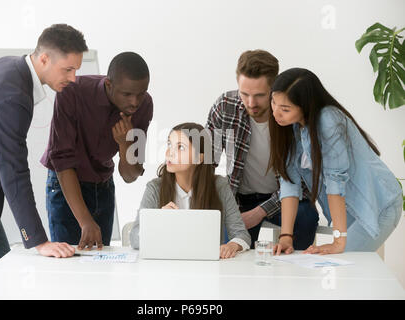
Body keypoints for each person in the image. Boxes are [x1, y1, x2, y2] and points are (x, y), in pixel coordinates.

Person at [0, 23, 88, 294]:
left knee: (3, 277)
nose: (74, 78)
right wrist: (39, 241)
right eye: (68, 69)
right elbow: (14, 169)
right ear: (44, 59)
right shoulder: (14, 96)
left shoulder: (12, 68)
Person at [269, 68, 402, 255]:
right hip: (347, 209)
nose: (276, 113)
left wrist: (338, 241)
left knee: (340, 265)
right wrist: (286, 237)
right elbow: (289, 182)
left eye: (285, 109)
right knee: (342, 271)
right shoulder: (289, 127)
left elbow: (335, 181)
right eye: (273, 103)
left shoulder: (328, 121)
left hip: (378, 204)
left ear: (305, 106)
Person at [206, 50, 319, 249]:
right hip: (239, 199)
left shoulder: (292, 114)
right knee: (222, 241)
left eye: (259, 95)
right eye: (245, 94)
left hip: (285, 198)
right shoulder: (225, 106)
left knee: (306, 216)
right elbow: (207, 161)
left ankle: (292, 271)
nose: (251, 103)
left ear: (274, 89)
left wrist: (260, 212)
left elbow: (301, 182)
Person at [40, 52, 153, 250]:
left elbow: (130, 175)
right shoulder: (72, 92)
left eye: (141, 93)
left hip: (102, 187)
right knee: (69, 263)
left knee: (101, 265)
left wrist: (124, 145)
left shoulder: (145, 106)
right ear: (109, 85)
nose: (135, 102)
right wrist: (85, 220)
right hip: (66, 184)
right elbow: (62, 160)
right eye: (127, 94)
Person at [130, 123, 251, 259]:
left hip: (207, 268)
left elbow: (241, 234)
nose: (169, 153)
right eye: (169, 144)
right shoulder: (155, 188)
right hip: (165, 267)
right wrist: (159, 222)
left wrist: (232, 246)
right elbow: (134, 238)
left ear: (199, 158)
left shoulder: (219, 186)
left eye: (180, 147)